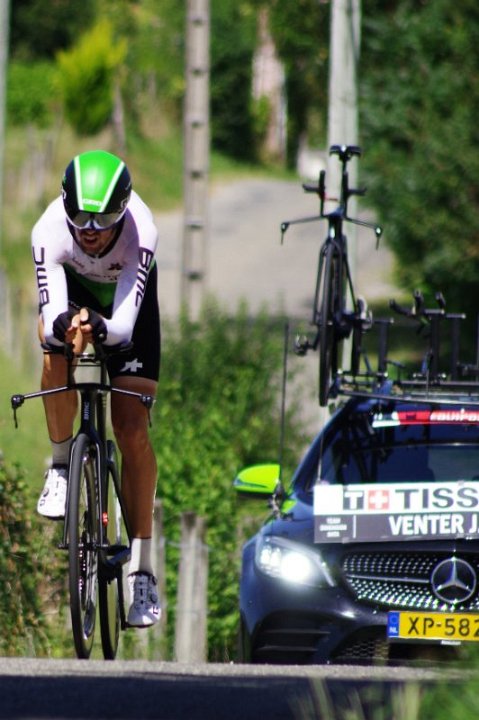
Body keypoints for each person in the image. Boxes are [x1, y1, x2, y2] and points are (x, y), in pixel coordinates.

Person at [31, 149, 161, 628]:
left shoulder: (141, 230)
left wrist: (100, 328)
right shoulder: (47, 230)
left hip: (127, 304)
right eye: (79, 215)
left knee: (131, 427)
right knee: (54, 354)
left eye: (104, 217)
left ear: (123, 209)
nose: (89, 228)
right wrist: (67, 324)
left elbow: (125, 327)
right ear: (64, 205)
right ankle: (63, 463)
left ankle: (141, 571)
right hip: (72, 292)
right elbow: (49, 326)